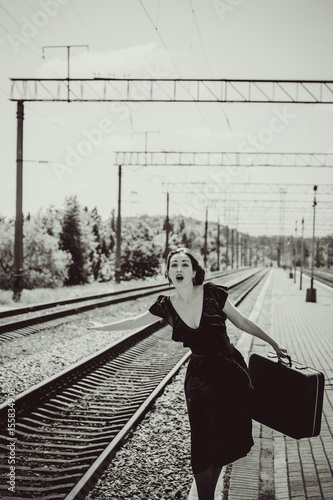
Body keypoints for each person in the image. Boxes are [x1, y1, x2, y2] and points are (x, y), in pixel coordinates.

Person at [88, 247, 288, 500]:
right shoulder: (166, 305)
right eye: (174, 265)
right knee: (202, 435)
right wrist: (100, 328)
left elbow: (242, 321)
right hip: (199, 375)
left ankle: (209, 495)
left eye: (184, 264)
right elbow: (133, 322)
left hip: (231, 371)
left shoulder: (213, 294)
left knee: (224, 433)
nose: (179, 268)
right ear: (169, 274)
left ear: (194, 271)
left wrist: (272, 342)